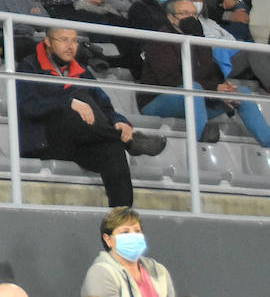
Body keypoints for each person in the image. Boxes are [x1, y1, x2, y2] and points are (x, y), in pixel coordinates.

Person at [139, 0, 270, 167]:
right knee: (193, 89)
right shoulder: (160, 39)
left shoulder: (199, 39)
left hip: (196, 98)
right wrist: (213, 88)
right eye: (184, 14)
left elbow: (211, 74)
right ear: (171, 18)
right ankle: (199, 147)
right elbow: (169, 80)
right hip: (158, 100)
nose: (190, 18)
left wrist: (223, 90)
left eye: (193, 14)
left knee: (242, 94)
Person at [15, 27, 165, 207]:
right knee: (78, 102)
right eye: (64, 40)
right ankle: (130, 142)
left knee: (113, 149)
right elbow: (29, 106)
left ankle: (121, 218)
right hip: (45, 143)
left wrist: (120, 122)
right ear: (48, 42)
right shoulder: (29, 67)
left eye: (74, 40)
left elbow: (105, 107)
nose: (70, 46)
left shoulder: (82, 71)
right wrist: (68, 102)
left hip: (81, 142)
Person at [179, 0, 270, 99]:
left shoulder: (210, 22)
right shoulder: (185, 23)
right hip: (219, 62)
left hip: (233, 54)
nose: (197, 3)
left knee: (265, 49)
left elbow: (231, 39)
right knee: (253, 52)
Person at [80, 208, 177, 297]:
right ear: (108, 239)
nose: (133, 236)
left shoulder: (158, 270)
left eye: (137, 231)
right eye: (125, 232)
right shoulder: (100, 273)